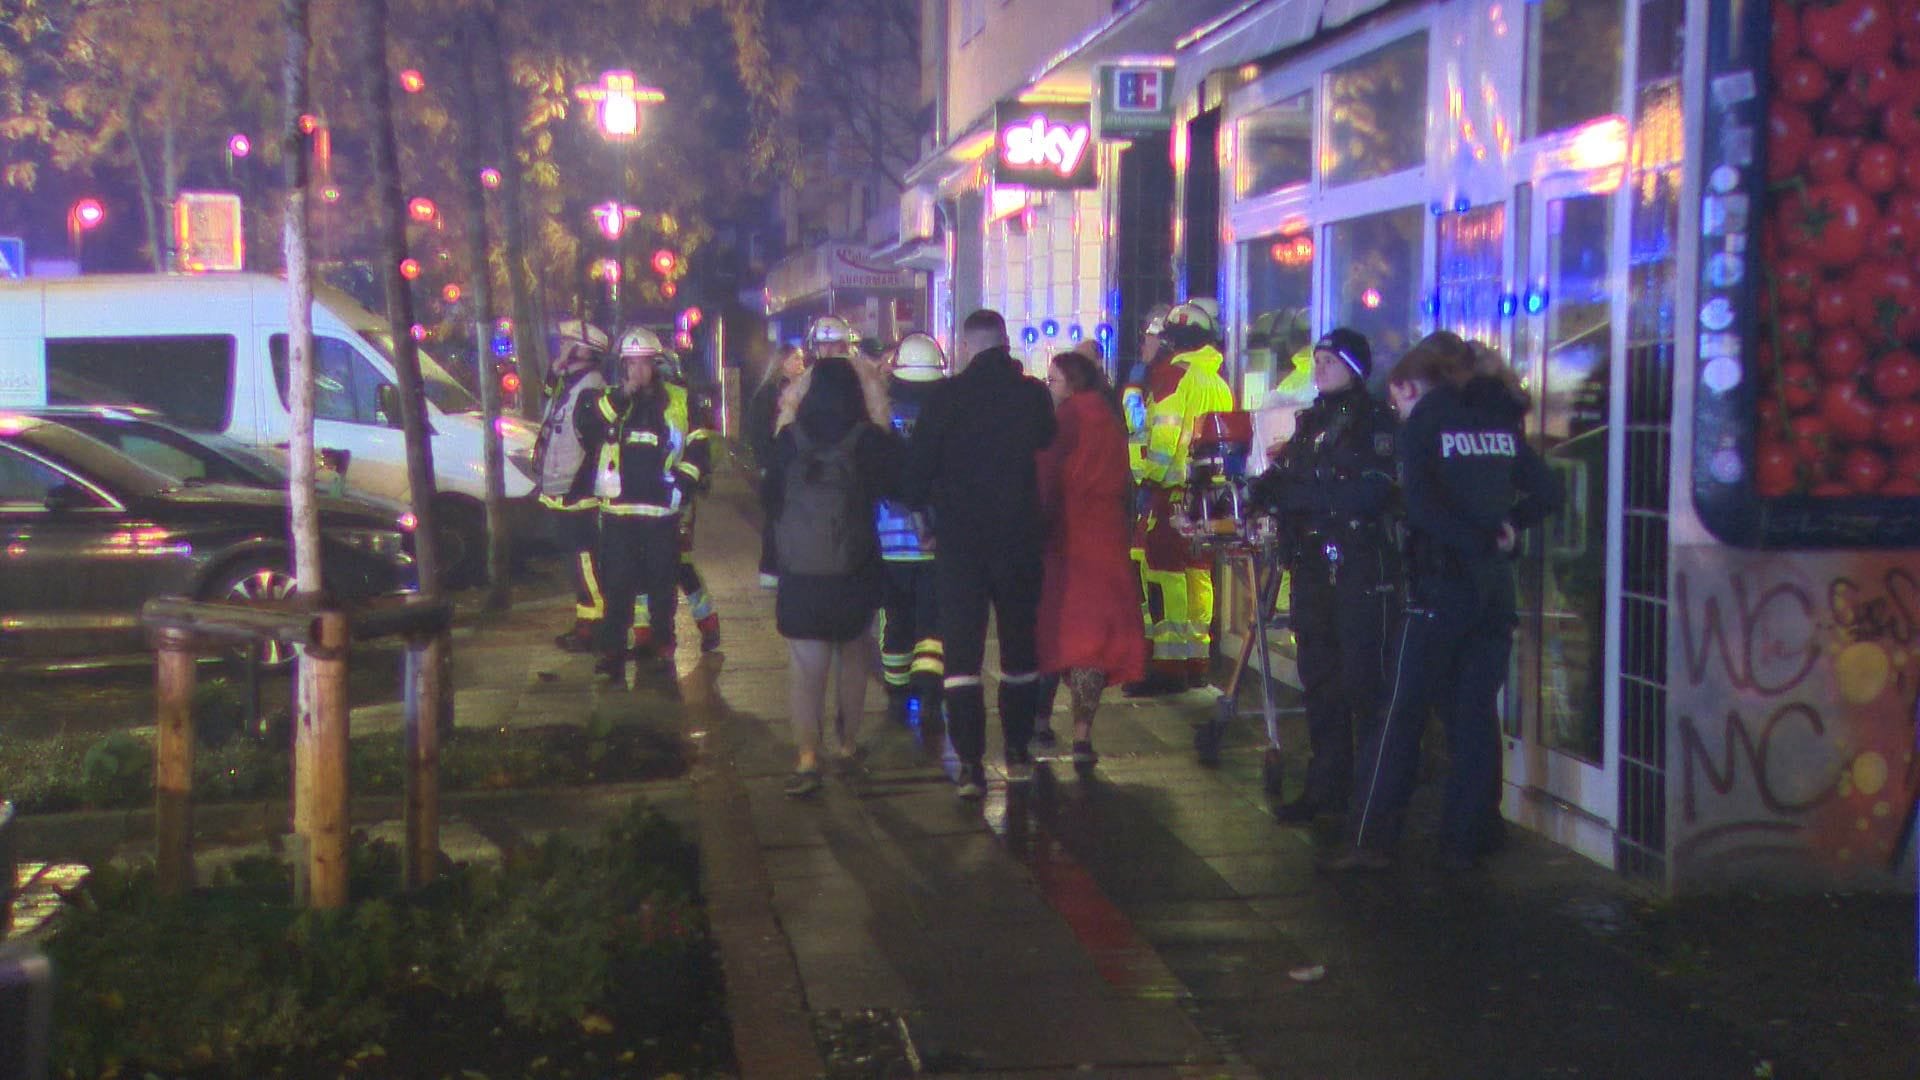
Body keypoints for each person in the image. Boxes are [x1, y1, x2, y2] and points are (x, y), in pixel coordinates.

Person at [1328, 332, 1563, 872]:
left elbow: (1423, 508)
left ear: (1414, 382)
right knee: (1474, 712)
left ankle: (1370, 839)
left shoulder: (1428, 422)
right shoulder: (1498, 419)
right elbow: (1548, 492)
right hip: (1493, 591)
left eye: (1397, 397)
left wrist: (1472, 537)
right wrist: (1507, 529)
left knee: (1401, 712)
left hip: (1439, 586)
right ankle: (1471, 834)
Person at [902, 309, 1056, 799]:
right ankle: (1017, 752)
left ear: (966, 347)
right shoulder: (1031, 395)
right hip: (1018, 540)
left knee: (962, 657)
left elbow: (917, 470)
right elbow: (1047, 441)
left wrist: (924, 520)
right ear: (1006, 343)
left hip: (960, 544)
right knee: (1019, 651)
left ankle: (970, 764)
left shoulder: (945, 397)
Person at [1251, 328, 1401, 823]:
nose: (1319, 369)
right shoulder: (1312, 421)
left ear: (1354, 368)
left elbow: (1373, 493)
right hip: (1313, 566)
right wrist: (1261, 492)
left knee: (1361, 685)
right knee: (1319, 681)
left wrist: (1303, 499)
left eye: (1330, 361)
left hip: (1357, 567)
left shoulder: (1374, 422)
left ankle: (1369, 799)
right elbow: (1291, 472)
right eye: (1316, 360)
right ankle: (1324, 790)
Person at [763, 351, 899, 797]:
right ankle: (846, 745)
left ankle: (806, 758)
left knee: (806, 667)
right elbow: (902, 483)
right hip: (854, 570)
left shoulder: (789, 439)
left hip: (801, 573)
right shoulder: (867, 440)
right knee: (854, 657)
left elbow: (770, 501)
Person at [1033, 350, 1147, 765]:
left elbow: (1045, 476)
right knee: (1093, 643)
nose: (1050, 387)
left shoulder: (1066, 420)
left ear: (1072, 384)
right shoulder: (1110, 419)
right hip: (1106, 541)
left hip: (1067, 540)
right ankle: (1082, 736)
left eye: (1054, 380)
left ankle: (1040, 723)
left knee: (1053, 633)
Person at [1129, 300, 1234, 695]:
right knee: (1197, 575)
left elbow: (1163, 436)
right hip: (1208, 496)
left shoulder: (1174, 375)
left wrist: (1146, 477)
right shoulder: (1217, 379)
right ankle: (1195, 660)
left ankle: (1167, 666)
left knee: (1163, 574)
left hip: (1170, 493)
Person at [575, 327, 686, 689]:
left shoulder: (676, 401)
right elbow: (590, 426)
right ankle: (611, 653)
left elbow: (699, 443)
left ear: (656, 365)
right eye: (631, 364)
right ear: (621, 366)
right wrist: (624, 395)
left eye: (645, 364)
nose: (638, 371)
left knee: (661, 586)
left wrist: (684, 484)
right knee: (617, 587)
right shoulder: (606, 399)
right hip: (619, 513)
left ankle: (663, 647)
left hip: (661, 514)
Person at [631, 345, 723, 655]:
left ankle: (705, 621)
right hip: (647, 496)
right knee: (648, 562)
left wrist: (684, 484)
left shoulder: (683, 401)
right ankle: (645, 631)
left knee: (676, 563)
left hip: (675, 496)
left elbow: (700, 448)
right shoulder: (638, 399)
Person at [874, 332, 946, 726]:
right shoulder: (948, 412)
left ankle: (897, 693)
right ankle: (931, 692)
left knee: (895, 621)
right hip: (935, 542)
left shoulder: (881, 414)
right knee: (932, 625)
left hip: (889, 541)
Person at [533, 319, 610, 653]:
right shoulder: (569, 383)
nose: (560, 348)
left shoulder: (589, 391)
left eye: (566, 343)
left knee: (585, 565)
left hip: (578, 498)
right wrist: (555, 371)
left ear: (584, 352)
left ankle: (595, 628)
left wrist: (583, 488)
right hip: (563, 494)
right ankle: (585, 623)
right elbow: (548, 402)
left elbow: (596, 448)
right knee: (577, 565)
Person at [749, 345, 810, 588]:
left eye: (802, 358)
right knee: (776, 516)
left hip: (798, 465)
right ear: (782, 362)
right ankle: (771, 567)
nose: (800, 362)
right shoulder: (768, 394)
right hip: (778, 464)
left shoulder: (805, 390)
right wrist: (766, 463)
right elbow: (759, 432)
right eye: (795, 358)